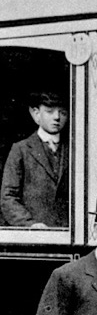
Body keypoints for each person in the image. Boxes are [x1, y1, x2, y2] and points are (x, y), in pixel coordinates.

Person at [1, 90, 69, 228]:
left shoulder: (75, 150)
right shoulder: (21, 149)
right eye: (50, 112)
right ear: (36, 114)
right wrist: (30, 224)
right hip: (34, 235)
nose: (57, 117)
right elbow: (8, 197)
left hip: (68, 233)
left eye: (62, 112)